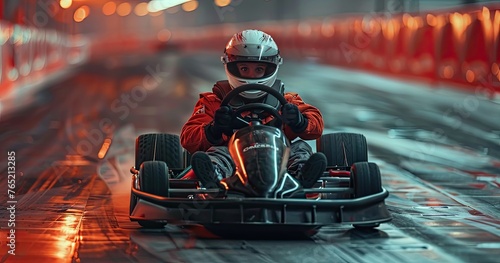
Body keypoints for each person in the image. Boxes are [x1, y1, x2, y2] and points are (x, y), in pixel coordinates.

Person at [180, 29, 327, 190]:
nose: (251, 75)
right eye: (244, 69)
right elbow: (188, 138)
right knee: (217, 152)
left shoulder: (287, 101)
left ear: (270, 68)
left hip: (277, 157)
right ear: (231, 66)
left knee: (300, 148)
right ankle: (215, 178)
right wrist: (214, 129)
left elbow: (316, 125)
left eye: (258, 69)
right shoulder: (214, 102)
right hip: (235, 159)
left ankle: (301, 177)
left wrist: (299, 121)